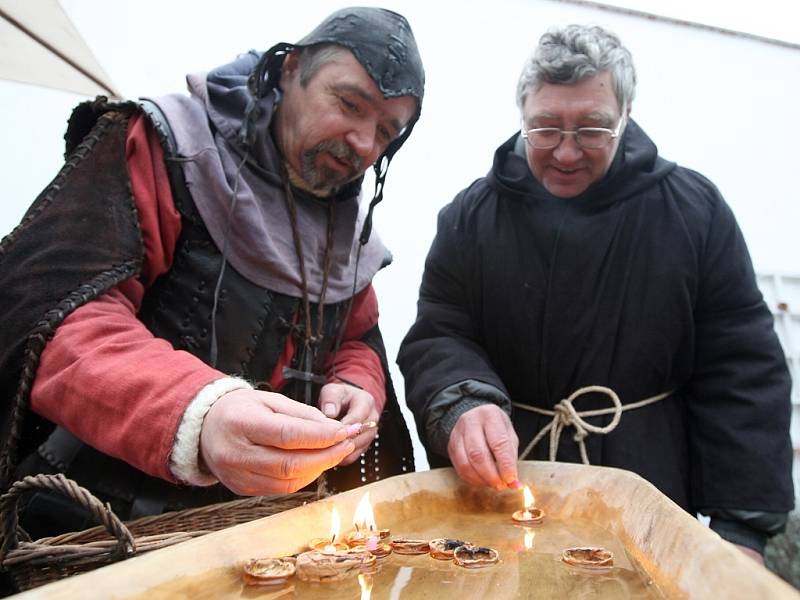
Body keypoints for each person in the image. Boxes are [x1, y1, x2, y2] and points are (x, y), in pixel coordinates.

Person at [0, 7, 425, 538]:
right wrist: (199, 414)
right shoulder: (164, 146)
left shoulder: (350, 231)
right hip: (92, 521)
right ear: (290, 68)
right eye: (348, 103)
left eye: (386, 131)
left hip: (258, 531)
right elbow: (62, 317)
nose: (363, 142)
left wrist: (355, 384)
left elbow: (355, 338)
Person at [398, 24, 793, 561]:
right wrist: (462, 402)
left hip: (650, 491)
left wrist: (740, 529)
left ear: (625, 117)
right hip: (509, 486)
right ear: (522, 116)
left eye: (591, 130)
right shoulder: (472, 218)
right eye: (545, 128)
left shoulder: (692, 212)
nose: (565, 153)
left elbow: (742, 368)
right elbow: (441, 332)